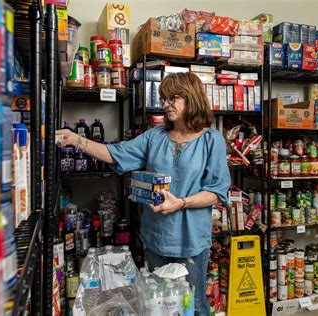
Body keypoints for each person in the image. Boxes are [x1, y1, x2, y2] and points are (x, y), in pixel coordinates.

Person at [56, 72, 231, 315]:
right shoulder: (154, 136)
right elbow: (115, 154)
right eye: (164, 98)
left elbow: (216, 192)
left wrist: (181, 203)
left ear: (192, 99)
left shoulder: (212, 140)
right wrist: (76, 140)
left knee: (194, 304)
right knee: (157, 304)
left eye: (173, 98)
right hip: (156, 238)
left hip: (191, 241)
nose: (166, 104)